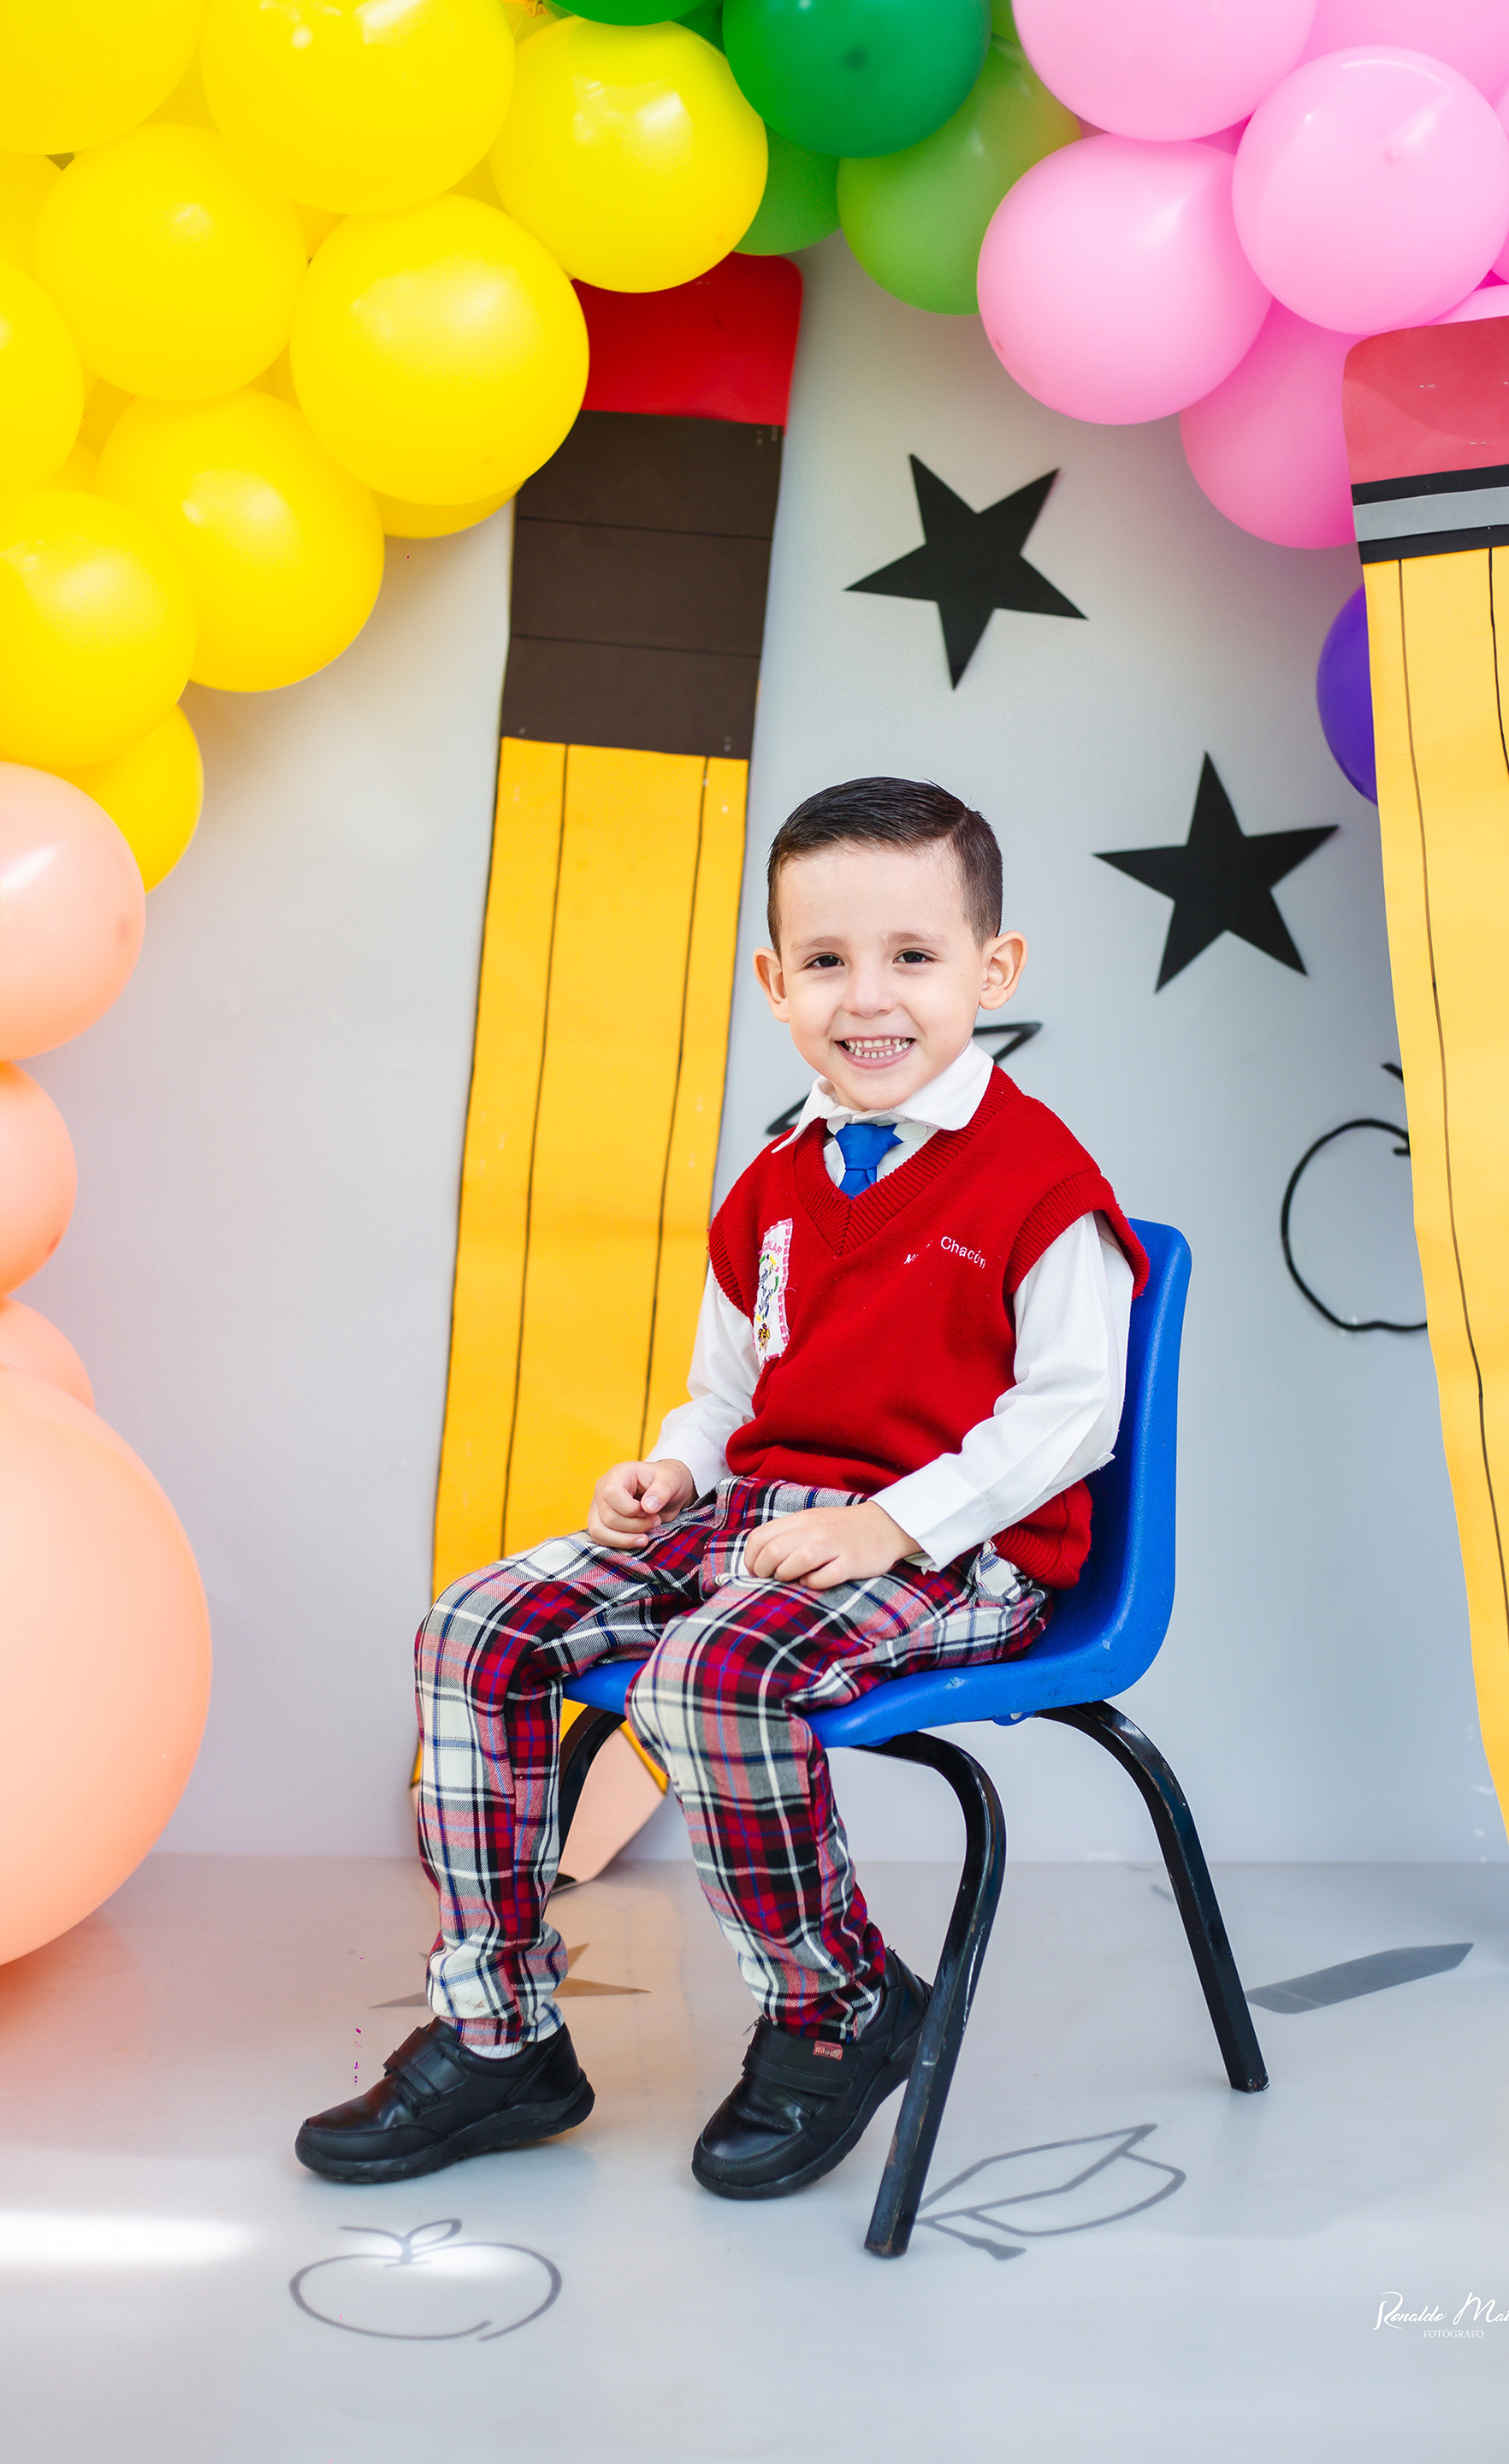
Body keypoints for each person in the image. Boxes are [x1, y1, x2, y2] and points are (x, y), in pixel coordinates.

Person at [295, 776, 1148, 2197]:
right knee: (474, 1629)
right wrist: (673, 1470)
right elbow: (728, 1392)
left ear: (993, 970)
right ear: (774, 981)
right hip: (759, 1528)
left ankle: (837, 2003)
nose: (867, 998)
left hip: (960, 1551)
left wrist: (890, 1523)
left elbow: (1071, 1418)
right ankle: (500, 2034)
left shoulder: (1041, 1182)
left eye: (913, 956)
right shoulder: (773, 1182)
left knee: (710, 1675)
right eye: (826, 961)